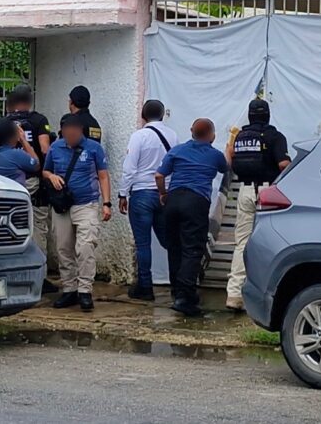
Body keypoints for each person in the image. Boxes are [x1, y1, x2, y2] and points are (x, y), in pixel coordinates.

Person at [156, 118, 228, 317]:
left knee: (174, 247)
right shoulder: (214, 155)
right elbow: (226, 168)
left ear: (191, 131)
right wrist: (229, 153)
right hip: (195, 202)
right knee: (192, 249)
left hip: (173, 200)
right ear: (212, 135)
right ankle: (185, 297)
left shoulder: (177, 151)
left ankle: (176, 291)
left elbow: (159, 176)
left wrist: (163, 194)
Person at [224, 99, 291, 312]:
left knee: (242, 242)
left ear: (250, 116)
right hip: (267, 192)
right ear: (268, 115)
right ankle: (268, 293)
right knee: (271, 242)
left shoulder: (240, 137)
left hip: (244, 191)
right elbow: (283, 164)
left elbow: (229, 160)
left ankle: (234, 294)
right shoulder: (275, 136)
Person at [42, 113, 113, 313]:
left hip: (87, 204)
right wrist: (52, 176)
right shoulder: (55, 147)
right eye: (67, 132)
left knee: (85, 247)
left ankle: (85, 290)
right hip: (62, 206)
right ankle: (69, 288)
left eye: (74, 132)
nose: (71, 135)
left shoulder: (94, 148)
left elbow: (103, 176)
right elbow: (45, 171)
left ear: (80, 130)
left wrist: (106, 203)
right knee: (63, 248)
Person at [119, 99, 179, 301]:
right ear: (163, 115)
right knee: (170, 241)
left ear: (143, 116)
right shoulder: (172, 135)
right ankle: (178, 284)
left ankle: (145, 287)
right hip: (164, 194)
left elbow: (129, 168)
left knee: (143, 244)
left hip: (142, 194)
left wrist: (122, 194)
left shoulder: (139, 136)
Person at [3, 85, 57, 293]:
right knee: (38, 228)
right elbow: (45, 149)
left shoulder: (3, 123)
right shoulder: (38, 120)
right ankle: (40, 279)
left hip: (7, 182)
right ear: (29, 101)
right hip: (34, 181)